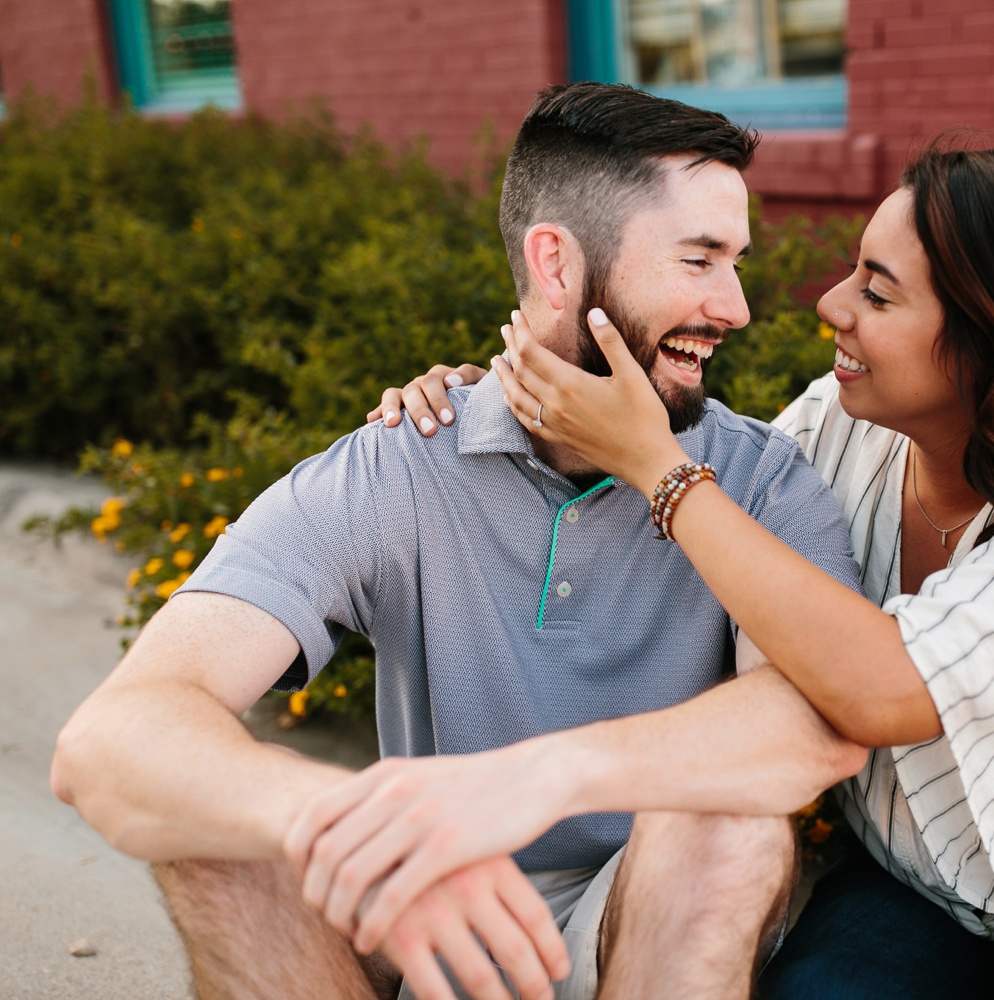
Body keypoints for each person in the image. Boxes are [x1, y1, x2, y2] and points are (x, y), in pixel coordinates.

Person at [362, 144, 994, 999]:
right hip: (910, 888)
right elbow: (721, 515)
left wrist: (655, 470)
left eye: (877, 291)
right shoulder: (840, 420)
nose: (831, 304)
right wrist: (512, 414)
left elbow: (884, 688)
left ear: (993, 337)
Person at [49, 82, 870, 1000]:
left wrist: (528, 783)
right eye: (699, 260)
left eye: (737, 263)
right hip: (422, 921)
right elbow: (111, 737)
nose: (736, 307)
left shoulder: (762, 481)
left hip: (641, 913)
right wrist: (357, 821)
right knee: (218, 830)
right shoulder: (400, 466)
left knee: (731, 824)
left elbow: (810, 722)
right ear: (555, 266)